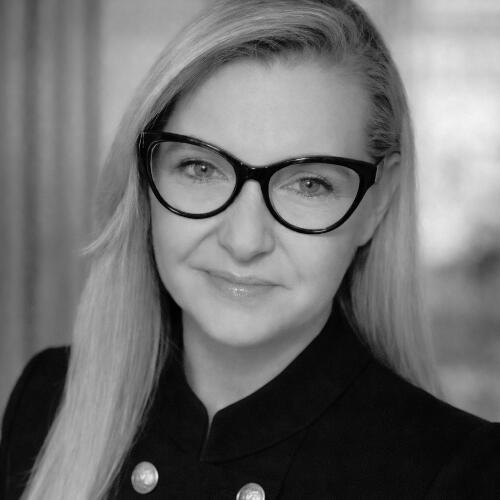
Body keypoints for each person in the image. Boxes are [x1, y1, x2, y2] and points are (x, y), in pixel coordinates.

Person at [1, 0, 499, 498]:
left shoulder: (463, 475)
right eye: (201, 169)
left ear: (377, 201)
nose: (243, 241)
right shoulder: (48, 400)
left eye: (308, 184)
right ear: (145, 178)